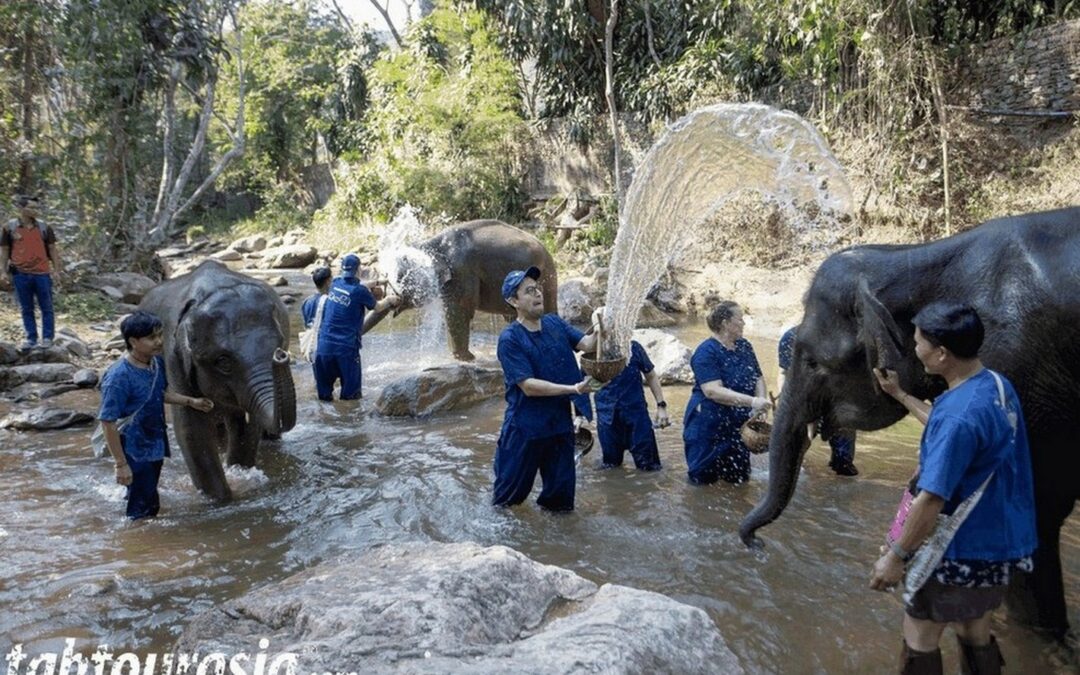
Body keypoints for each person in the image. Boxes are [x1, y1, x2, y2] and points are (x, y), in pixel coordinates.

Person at [869, 302, 1036, 674]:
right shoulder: (995, 385)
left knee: (920, 635)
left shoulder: (959, 416)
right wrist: (899, 395)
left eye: (919, 343)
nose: (915, 350)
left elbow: (931, 498)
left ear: (941, 354)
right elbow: (949, 428)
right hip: (1001, 544)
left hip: (960, 547)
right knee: (974, 628)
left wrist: (896, 556)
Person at [493, 266, 602, 511]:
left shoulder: (554, 323)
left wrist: (602, 322)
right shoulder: (510, 339)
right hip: (525, 429)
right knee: (507, 501)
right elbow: (528, 386)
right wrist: (574, 389)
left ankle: (559, 544)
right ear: (514, 301)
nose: (538, 294)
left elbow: (587, 343)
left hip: (559, 426)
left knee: (561, 502)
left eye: (538, 289)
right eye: (529, 291)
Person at [98, 311, 214, 520]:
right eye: (152, 338)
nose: (159, 342)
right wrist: (121, 464)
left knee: (144, 494)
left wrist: (191, 401)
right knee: (144, 509)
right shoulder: (118, 377)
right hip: (134, 447)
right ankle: (139, 544)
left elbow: (158, 394)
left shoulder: (156, 363)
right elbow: (108, 421)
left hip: (154, 441)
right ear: (133, 341)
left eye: (160, 335)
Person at [683, 300, 771, 485]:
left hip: (738, 425)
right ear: (725, 322)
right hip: (707, 426)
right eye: (740, 319)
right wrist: (752, 402)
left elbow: (758, 377)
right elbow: (712, 391)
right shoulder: (705, 352)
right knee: (702, 483)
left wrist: (761, 401)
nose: (744, 323)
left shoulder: (744, 346)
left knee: (739, 480)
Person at [313, 253, 399, 401]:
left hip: (322, 350)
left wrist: (377, 282)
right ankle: (349, 423)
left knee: (324, 398)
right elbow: (377, 308)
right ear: (358, 270)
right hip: (345, 350)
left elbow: (355, 287)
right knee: (351, 399)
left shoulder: (335, 283)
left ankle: (325, 422)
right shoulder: (360, 291)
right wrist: (389, 299)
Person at [777, 325, 859, 476]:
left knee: (843, 463)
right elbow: (785, 373)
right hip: (804, 400)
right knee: (794, 452)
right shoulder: (791, 338)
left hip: (837, 403)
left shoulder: (846, 339)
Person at [593, 339, 668, 471]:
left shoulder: (633, 347)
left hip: (637, 416)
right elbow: (581, 385)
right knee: (611, 468)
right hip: (607, 418)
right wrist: (580, 416)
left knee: (649, 468)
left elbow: (650, 376)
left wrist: (661, 406)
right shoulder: (592, 353)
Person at [0, 194, 62, 351]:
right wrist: (3, 271)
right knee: (26, 308)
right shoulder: (10, 227)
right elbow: (5, 250)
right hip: (20, 273)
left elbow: (52, 249)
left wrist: (56, 270)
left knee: (46, 307)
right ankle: (31, 338)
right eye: (31, 207)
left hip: (42, 273)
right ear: (21, 209)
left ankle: (47, 338)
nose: (35, 211)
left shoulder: (44, 228)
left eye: (36, 208)